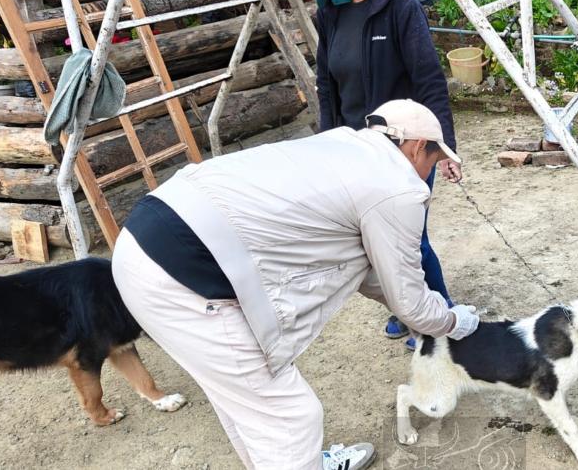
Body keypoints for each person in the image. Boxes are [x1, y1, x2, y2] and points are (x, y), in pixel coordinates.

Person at [112, 100, 480, 470]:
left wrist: (431, 318)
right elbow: (408, 300)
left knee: (248, 402)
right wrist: (452, 321)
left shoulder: (346, 147)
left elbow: (376, 277)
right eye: (432, 162)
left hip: (142, 240)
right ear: (417, 146)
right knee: (289, 418)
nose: (427, 174)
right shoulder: (397, 186)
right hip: (183, 274)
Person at [314, 0, 461, 351]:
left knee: (409, 239)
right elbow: (326, 84)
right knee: (372, 242)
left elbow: (430, 81)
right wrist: (326, 144)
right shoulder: (330, 9)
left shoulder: (402, 8)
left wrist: (444, 147)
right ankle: (406, 309)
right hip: (354, 146)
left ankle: (441, 320)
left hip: (405, 147)